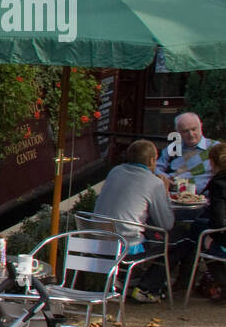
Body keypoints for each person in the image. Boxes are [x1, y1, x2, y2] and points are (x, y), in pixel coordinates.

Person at [93, 139, 176, 302]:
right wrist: (165, 192)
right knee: (175, 241)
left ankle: (125, 280)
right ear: (152, 160)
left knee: (144, 232)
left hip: (95, 240)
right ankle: (147, 287)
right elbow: (166, 224)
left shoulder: (115, 171)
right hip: (125, 247)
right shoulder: (154, 183)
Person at [168, 142, 226, 301]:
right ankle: (186, 280)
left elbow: (219, 222)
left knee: (194, 234)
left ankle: (217, 282)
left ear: (212, 163)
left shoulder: (219, 184)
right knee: (197, 232)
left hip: (221, 239)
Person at [155, 112, 215, 195]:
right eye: (185, 131)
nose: (191, 134)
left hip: (203, 199)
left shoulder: (215, 148)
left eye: (194, 129)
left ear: (201, 126)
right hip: (174, 197)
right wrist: (166, 178)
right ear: (178, 132)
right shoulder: (173, 148)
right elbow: (155, 168)